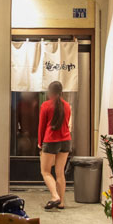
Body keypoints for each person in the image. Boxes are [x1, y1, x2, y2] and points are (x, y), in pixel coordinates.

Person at [38, 80, 71, 210]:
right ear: (61, 92)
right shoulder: (67, 105)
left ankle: (55, 196)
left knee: (45, 171)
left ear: (50, 92)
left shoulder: (46, 106)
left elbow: (42, 126)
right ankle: (61, 202)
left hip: (50, 140)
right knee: (60, 172)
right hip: (66, 140)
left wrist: (40, 143)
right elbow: (67, 122)